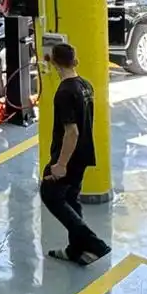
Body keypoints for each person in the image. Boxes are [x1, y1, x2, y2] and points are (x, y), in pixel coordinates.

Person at [41, 42, 111, 265]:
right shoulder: (85, 85)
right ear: (74, 61)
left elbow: (71, 132)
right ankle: (76, 250)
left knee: (50, 194)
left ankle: (94, 244)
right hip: (84, 153)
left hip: (69, 155)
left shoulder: (64, 92)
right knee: (71, 199)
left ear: (55, 63)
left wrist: (61, 164)